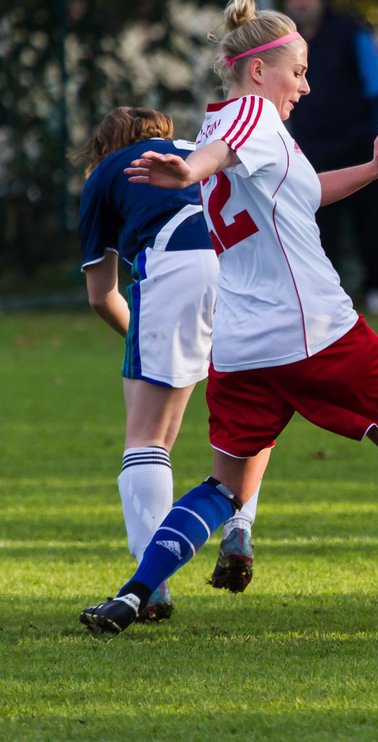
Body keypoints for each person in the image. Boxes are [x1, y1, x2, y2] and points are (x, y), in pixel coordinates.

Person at [79, 0, 378, 636]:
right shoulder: (249, 115)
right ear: (257, 70)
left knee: (222, 487)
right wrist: (186, 169)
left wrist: (373, 168)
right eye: (296, 70)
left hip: (243, 348)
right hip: (317, 332)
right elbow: (208, 163)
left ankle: (134, 593)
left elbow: (301, 195)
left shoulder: (228, 123)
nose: (305, 84)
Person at [76, 107, 263, 619]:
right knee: (250, 416)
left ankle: (151, 583)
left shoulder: (108, 172)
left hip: (176, 265)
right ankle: (240, 529)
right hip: (246, 265)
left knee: (148, 435)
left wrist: (146, 342)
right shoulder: (198, 152)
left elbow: (101, 294)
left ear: (104, 145)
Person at [284, 0, 378, 315]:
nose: (302, 1)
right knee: (317, 228)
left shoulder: (350, 34)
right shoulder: (285, 43)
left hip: (359, 149)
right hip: (312, 152)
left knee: (372, 223)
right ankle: (325, 297)